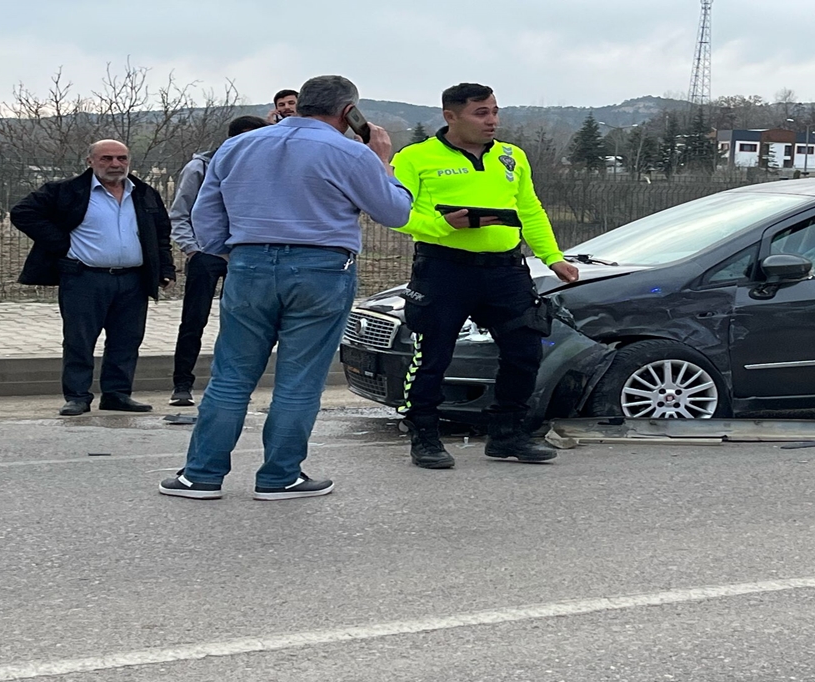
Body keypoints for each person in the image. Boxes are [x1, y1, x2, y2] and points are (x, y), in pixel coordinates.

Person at [160, 75, 411, 502]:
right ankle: (280, 475)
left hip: (249, 263)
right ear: (350, 112)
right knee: (299, 378)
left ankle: (200, 475)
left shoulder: (238, 147)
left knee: (231, 375)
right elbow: (395, 212)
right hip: (322, 268)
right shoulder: (352, 152)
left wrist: (232, 253)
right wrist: (383, 162)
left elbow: (206, 216)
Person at [390, 83, 579, 470]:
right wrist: (444, 225)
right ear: (450, 116)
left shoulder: (512, 157)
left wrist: (553, 257)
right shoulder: (414, 157)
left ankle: (507, 434)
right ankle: (424, 436)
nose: (492, 120)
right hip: (444, 268)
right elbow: (396, 213)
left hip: (505, 270)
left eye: (494, 111)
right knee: (433, 354)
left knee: (525, 351)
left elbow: (530, 209)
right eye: (481, 113)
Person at [10, 140, 176, 416]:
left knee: (127, 339)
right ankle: (77, 395)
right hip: (84, 278)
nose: (115, 164)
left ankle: (117, 394)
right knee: (80, 339)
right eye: (106, 158)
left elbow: (160, 235)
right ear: (90, 161)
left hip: (132, 280)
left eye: (121, 158)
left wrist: (165, 269)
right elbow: (23, 213)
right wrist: (61, 244)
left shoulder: (144, 193)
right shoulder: (66, 191)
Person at [169, 115, 270, 407]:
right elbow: (180, 212)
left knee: (240, 323)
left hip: (245, 255)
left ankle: (230, 385)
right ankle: (182, 385)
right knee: (193, 320)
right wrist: (192, 249)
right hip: (206, 255)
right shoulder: (200, 166)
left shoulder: (262, 170)